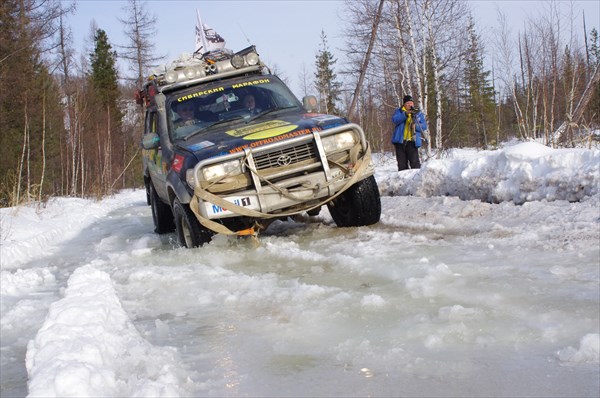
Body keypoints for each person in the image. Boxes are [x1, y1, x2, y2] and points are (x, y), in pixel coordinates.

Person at [391, 95, 428, 171]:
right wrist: (405, 114)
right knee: (402, 165)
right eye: (408, 103)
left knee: (415, 164)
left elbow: (424, 126)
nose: (410, 105)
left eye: (411, 103)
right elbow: (395, 120)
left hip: (412, 141)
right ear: (404, 104)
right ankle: (403, 180)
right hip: (400, 142)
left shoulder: (418, 113)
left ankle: (416, 180)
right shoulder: (399, 111)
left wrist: (415, 126)